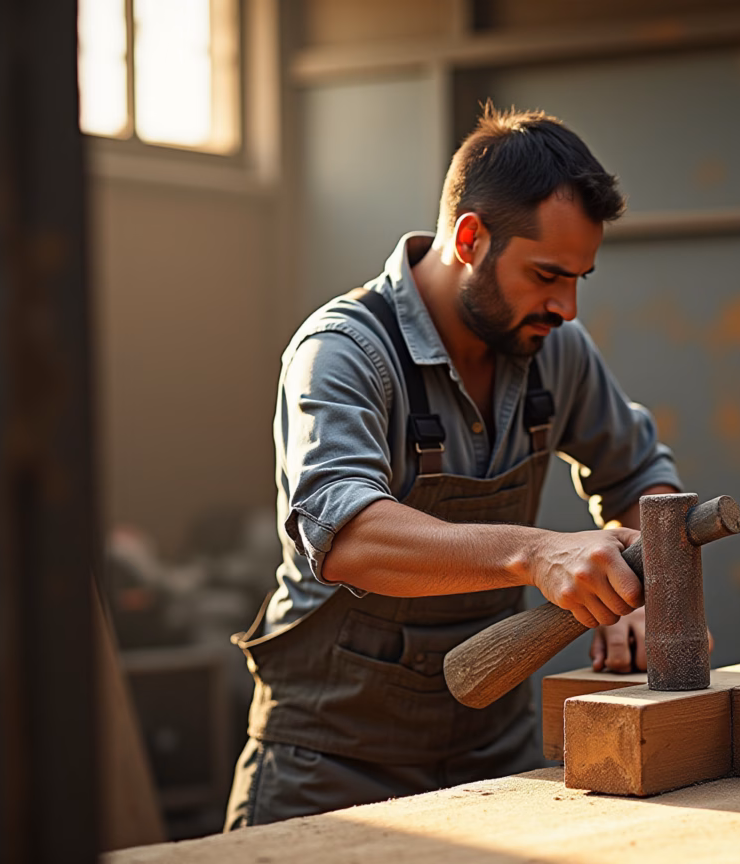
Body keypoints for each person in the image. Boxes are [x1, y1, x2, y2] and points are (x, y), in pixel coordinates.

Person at [224, 107, 686, 829]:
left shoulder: (555, 348)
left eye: (580, 279)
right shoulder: (343, 351)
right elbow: (347, 537)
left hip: (491, 757)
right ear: (470, 239)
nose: (566, 306)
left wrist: (652, 587)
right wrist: (537, 554)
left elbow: (643, 477)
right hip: (329, 762)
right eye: (546, 275)